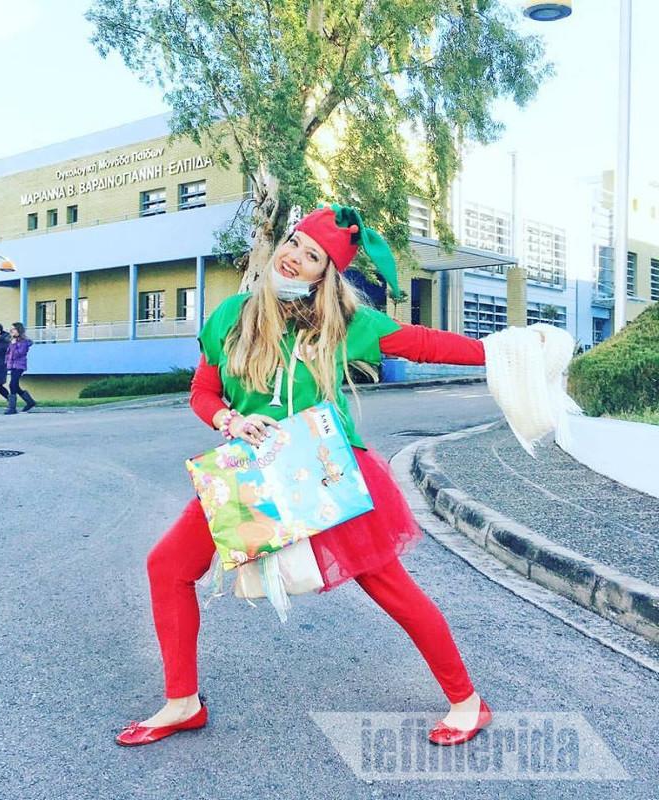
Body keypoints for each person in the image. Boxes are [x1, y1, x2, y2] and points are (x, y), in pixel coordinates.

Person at [116, 204, 494, 748]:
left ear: (325, 274)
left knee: (387, 584)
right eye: (294, 242)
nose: (293, 257)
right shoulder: (232, 315)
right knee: (168, 566)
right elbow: (203, 391)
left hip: (323, 466)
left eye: (312, 256)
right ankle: (182, 704)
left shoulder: (345, 325)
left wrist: (503, 353)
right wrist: (229, 420)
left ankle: (467, 701)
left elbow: (424, 344)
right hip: (251, 467)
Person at [4, 322, 37, 414]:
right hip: (12, 366)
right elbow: (8, 354)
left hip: (19, 366)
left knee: (12, 384)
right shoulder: (12, 341)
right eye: (11, 329)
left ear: (19, 330)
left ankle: (12, 408)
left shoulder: (24, 342)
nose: (11, 331)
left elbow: (18, 354)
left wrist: (14, 345)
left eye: (13, 329)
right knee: (15, 385)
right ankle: (30, 402)